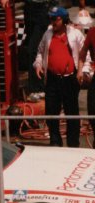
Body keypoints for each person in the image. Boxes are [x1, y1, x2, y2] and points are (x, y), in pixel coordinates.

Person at [34, 6, 89, 147]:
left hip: (70, 80)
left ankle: (73, 145)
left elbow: (85, 54)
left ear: (63, 19)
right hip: (52, 79)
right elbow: (40, 51)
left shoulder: (76, 34)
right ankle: (55, 142)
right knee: (51, 113)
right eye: (51, 18)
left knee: (72, 114)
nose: (52, 22)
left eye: (55, 19)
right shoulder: (47, 34)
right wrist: (38, 64)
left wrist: (83, 71)